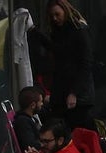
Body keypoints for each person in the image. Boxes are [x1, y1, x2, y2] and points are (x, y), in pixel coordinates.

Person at [30, 0, 94, 130]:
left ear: (65, 11)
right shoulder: (59, 32)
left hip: (77, 93)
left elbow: (85, 64)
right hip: (63, 90)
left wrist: (74, 92)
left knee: (79, 130)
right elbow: (59, 51)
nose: (55, 18)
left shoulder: (79, 31)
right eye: (52, 15)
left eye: (57, 14)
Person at [14, 86, 45, 152]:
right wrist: (45, 144)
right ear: (33, 105)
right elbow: (29, 144)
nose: (42, 104)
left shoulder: (30, 118)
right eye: (41, 102)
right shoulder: (23, 122)